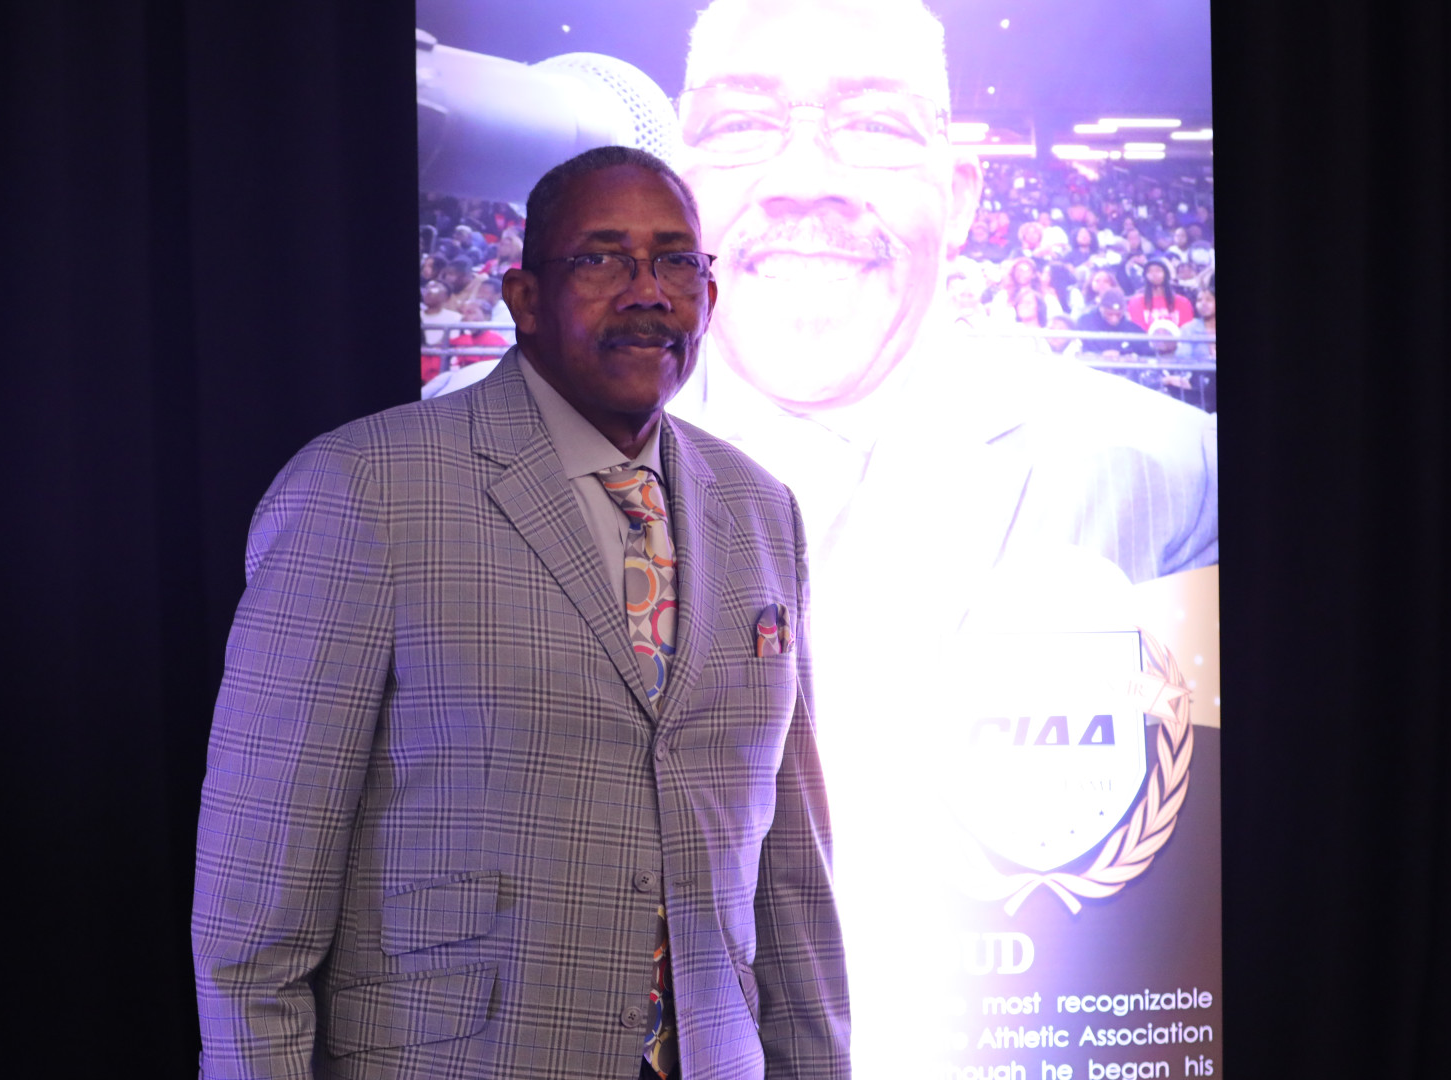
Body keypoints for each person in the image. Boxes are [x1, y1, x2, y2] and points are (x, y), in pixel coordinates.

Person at [194, 146, 850, 1080]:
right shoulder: (365, 490)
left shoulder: (759, 508)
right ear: (523, 297)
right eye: (603, 258)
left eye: (675, 261)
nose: (647, 291)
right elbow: (253, 909)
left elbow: (794, 878)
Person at [670, 0, 1217, 586]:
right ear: (669, 191)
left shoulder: (1184, 479)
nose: (804, 181)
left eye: (875, 126)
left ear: (958, 201)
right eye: (739, 125)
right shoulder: (564, 452)